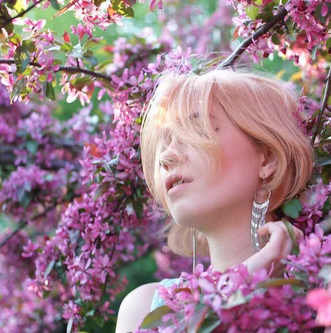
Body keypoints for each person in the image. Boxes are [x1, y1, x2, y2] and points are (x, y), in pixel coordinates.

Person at [115, 67, 314, 333]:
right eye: (165, 142)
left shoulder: (327, 296)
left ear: (268, 159)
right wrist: (244, 279)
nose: (166, 157)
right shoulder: (144, 310)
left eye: (195, 130)